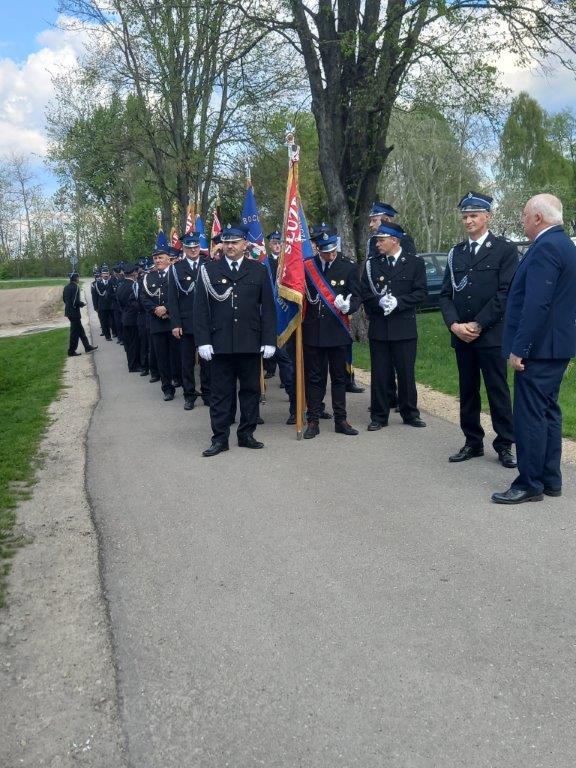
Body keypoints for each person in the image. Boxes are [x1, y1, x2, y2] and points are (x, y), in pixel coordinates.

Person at [492, 194, 576, 504]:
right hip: (556, 345)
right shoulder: (564, 244)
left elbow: (536, 303)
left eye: (525, 215)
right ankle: (550, 478)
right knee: (548, 412)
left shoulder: (546, 247)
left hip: (538, 349)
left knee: (529, 416)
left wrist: (520, 348)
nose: (522, 220)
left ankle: (529, 483)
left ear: (538, 218)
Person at [439, 192, 517, 468]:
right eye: (465, 216)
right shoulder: (456, 253)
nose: (469, 220)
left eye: (474, 215)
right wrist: (454, 325)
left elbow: (505, 293)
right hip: (462, 336)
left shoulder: (504, 250)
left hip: (491, 334)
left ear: (487, 217)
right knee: (468, 390)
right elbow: (445, 294)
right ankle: (472, 441)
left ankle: (505, 444)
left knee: (498, 391)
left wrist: (478, 323)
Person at [194, 223, 276, 456]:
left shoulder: (258, 271)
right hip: (219, 342)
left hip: (250, 341)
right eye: (226, 242)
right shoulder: (209, 270)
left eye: (235, 242)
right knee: (221, 393)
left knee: (250, 391)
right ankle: (220, 439)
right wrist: (203, 340)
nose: (230, 246)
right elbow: (200, 308)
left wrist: (269, 340)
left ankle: (246, 434)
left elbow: (268, 309)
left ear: (245, 244)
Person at [361, 221, 427, 429]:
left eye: (381, 240)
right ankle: (379, 417)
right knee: (380, 374)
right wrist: (377, 301)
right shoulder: (373, 264)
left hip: (404, 327)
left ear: (394, 240)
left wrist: (399, 302)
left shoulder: (414, 263)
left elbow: (420, 293)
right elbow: (365, 292)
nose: (378, 244)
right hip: (380, 327)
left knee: (406, 373)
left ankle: (410, 413)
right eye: (378, 240)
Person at [302, 231, 361, 439]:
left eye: (333, 250)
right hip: (313, 331)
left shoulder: (348, 266)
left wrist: (348, 307)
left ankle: (341, 419)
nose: (330, 255)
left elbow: (356, 297)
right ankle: (313, 420)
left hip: (337, 330)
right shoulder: (307, 266)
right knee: (314, 378)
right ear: (317, 248)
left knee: (338, 378)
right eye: (326, 252)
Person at [366, 201, 417, 408]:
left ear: (386, 219)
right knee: (381, 369)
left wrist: (397, 300)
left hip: (401, 314)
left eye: (374, 220)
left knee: (404, 368)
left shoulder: (406, 241)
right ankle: (385, 401)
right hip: (380, 313)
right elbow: (370, 277)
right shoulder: (373, 244)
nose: (371, 225)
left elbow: (410, 274)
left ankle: (406, 406)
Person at [168, 232, 211, 410]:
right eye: (189, 247)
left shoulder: (208, 265)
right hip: (185, 324)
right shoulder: (176, 269)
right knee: (187, 363)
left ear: (199, 247)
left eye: (196, 247)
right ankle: (189, 395)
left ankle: (208, 393)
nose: (193, 250)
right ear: (184, 248)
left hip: (207, 323)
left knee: (207, 361)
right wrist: (175, 324)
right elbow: (173, 299)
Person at [140, 246, 176, 401]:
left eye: (161, 257)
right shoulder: (149, 277)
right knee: (161, 358)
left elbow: (181, 295)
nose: (158, 260)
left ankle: (179, 380)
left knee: (177, 356)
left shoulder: (176, 274)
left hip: (174, 321)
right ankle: (167, 388)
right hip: (157, 323)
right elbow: (143, 298)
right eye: (155, 258)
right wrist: (156, 309)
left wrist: (166, 308)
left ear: (169, 258)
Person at [62, 272, 98, 357]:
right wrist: (82, 304)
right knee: (74, 333)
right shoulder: (75, 287)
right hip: (74, 313)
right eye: (78, 277)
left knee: (80, 331)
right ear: (75, 278)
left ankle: (87, 347)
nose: (79, 279)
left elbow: (64, 299)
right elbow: (75, 302)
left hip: (69, 312)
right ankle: (71, 351)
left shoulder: (66, 287)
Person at [116, 263, 141, 372]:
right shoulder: (133, 286)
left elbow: (120, 303)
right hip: (133, 318)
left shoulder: (121, 286)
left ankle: (132, 364)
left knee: (129, 343)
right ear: (133, 274)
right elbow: (135, 303)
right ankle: (134, 365)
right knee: (134, 343)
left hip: (125, 317)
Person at [94, 266, 114, 340]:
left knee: (112, 320)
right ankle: (107, 336)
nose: (106, 275)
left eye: (107, 273)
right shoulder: (98, 283)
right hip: (102, 306)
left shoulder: (111, 282)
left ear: (109, 274)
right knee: (104, 321)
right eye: (104, 274)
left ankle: (114, 333)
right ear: (101, 275)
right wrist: (96, 307)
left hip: (111, 305)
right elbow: (95, 296)